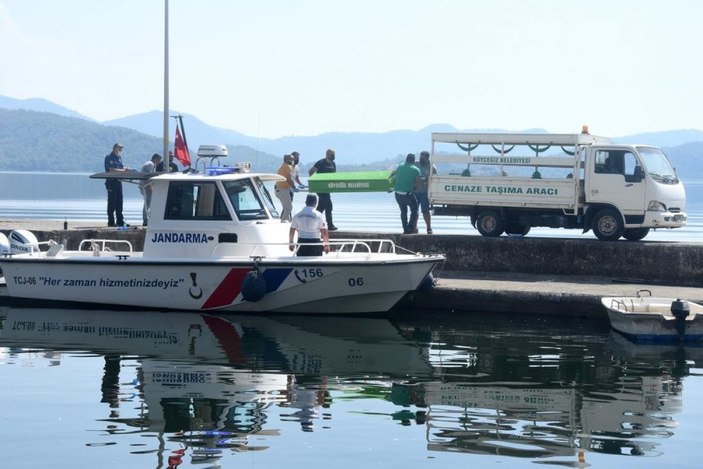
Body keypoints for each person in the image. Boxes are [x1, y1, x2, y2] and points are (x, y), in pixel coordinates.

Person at [104, 143, 132, 227]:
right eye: (119, 148)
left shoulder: (119, 158)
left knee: (119, 202)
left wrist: (127, 169)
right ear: (114, 148)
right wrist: (123, 171)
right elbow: (111, 170)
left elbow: (121, 168)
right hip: (111, 182)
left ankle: (120, 221)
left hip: (119, 182)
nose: (120, 150)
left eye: (121, 149)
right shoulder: (109, 157)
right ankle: (111, 222)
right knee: (112, 202)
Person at [308, 148, 337, 231]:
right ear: (327, 154)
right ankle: (330, 225)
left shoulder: (333, 164)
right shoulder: (320, 163)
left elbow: (334, 175)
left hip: (327, 188)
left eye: (334, 154)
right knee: (329, 205)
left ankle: (312, 222)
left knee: (321, 207)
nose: (333, 156)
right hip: (320, 188)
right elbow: (310, 172)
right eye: (332, 154)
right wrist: (315, 182)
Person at [394, 153, 420, 234]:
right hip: (408, 194)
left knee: (403, 211)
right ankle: (410, 226)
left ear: (406, 159)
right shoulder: (416, 170)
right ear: (413, 160)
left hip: (397, 194)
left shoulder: (400, 166)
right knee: (415, 210)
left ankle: (405, 229)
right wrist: (414, 189)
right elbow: (417, 184)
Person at [415, 151, 438, 234]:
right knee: (414, 211)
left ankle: (429, 227)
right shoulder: (415, 164)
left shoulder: (432, 167)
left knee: (425, 211)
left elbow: (435, 180)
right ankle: (414, 227)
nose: (421, 159)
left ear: (427, 158)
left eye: (423, 158)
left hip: (425, 192)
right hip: (415, 192)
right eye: (420, 157)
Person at [139, 153, 162, 226]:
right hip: (146, 187)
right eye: (159, 161)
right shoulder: (150, 164)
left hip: (144, 186)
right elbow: (147, 177)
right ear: (155, 159)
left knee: (147, 204)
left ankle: (146, 220)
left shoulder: (148, 163)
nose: (158, 163)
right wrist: (150, 188)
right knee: (150, 204)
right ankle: (147, 221)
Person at [275, 154, 295, 222]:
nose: (292, 161)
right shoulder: (287, 166)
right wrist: (294, 187)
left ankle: (288, 223)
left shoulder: (282, 166)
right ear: (287, 160)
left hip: (279, 190)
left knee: (286, 209)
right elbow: (288, 179)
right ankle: (282, 222)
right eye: (291, 159)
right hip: (282, 190)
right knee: (289, 208)